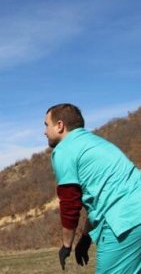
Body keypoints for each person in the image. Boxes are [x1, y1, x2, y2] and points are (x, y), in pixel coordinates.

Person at [44, 103, 141, 273]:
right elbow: (99, 199)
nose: (44, 132)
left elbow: (69, 204)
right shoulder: (95, 143)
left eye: (47, 125)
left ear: (59, 126)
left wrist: (67, 245)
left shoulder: (64, 150)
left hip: (125, 222)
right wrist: (86, 237)